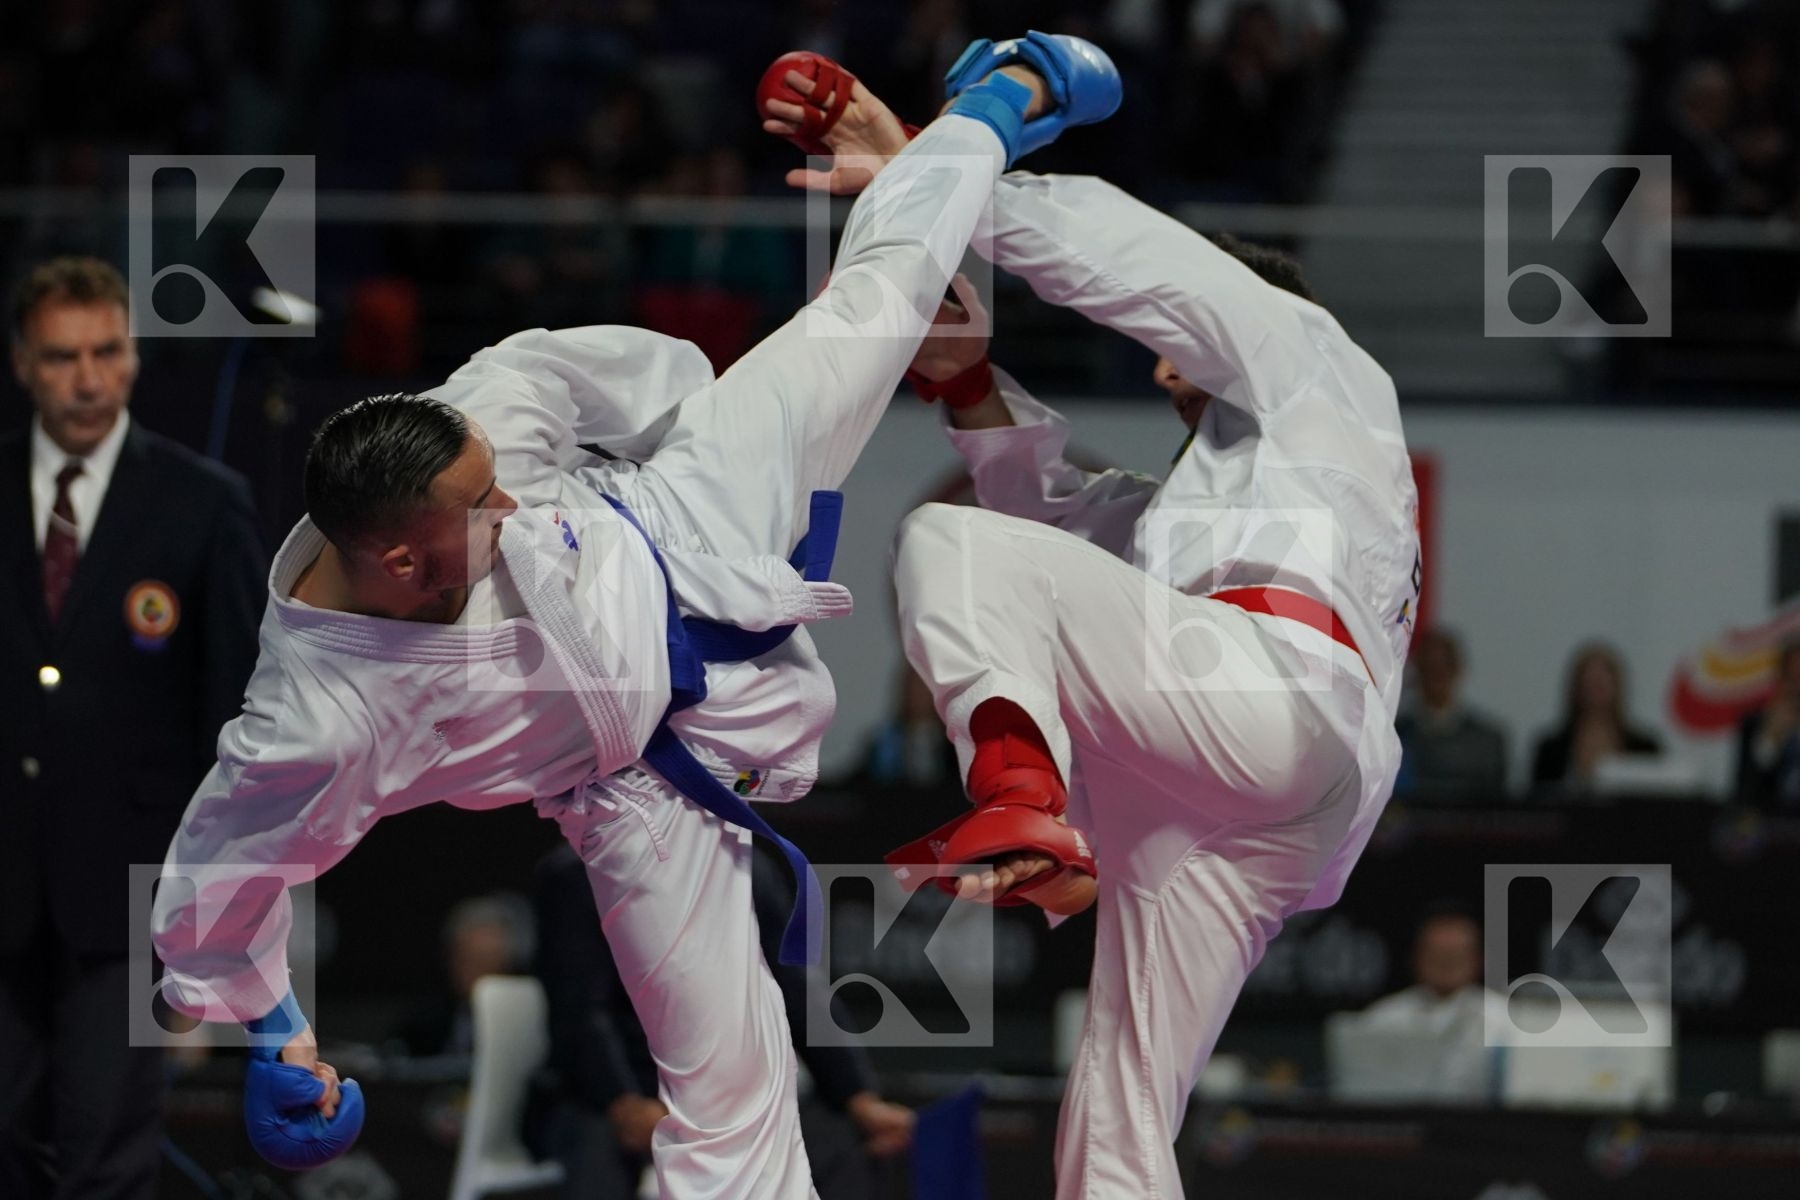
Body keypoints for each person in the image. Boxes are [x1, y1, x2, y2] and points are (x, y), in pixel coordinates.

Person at [152, 38, 1118, 1198]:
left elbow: (562, 374)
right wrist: (272, 1030)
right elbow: (215, 875)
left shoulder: (464, 427)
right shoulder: (314, 717)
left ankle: (1006, 98)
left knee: (876, 302)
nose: (504, 496)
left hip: (682, 505)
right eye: (479, 507)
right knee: (725, 1100)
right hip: (640, 782)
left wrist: (710, 420)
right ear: (400, 559)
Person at [763, 52, 1417, 1196]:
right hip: (1273, 794)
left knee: (947, 545)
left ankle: (1023, 793)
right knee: (1115, 1123)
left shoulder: (1313, 356)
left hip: (1270, 694)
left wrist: (932, 162)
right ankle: (1048, 818)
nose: (1165, 358)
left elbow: (1131, 263)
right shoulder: (1225, 497)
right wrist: (970, 386)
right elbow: (1060, 520)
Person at [0, 256, 266, 1199]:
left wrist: (219, 909)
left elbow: (235, 719)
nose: (86, 378)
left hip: (134, 893)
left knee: (111, 1157)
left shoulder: (203, 502)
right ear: (24, 363)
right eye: (62, 356)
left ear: (133, 355)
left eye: (106, 352)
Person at [530, 841, 913, 1200]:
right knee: (598, 1156)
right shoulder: (581, 871)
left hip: (726, 1098)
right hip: (611, 1093)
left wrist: (856, 1097)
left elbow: (796, 988)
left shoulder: (743, 863)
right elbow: (579, 1012)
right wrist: (625, 1104)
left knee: (840, 1144)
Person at [1358, 908, 1506, 1103]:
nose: (1446, 962)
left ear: (1478, 959)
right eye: (1437, 953)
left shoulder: (1504, 1018)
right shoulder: (1382, 1017)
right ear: (1415, 957)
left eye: (1455, 954)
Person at [389, 895, 535, 1059]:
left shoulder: (529, 1027)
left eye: (483, 962)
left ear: (508, 965)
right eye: (463, 959)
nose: (471, 971)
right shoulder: (422, 1023)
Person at [1394, 627, 1508, 802]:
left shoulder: (1487, 743)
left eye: (1442, 667)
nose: (1435, 677)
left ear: (1457, 669)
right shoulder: (1395, 737)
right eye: (1428, 668)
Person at [1530, 641, 1662, 791]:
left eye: (1602, 683)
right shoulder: (1551, 749)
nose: (1595, 690)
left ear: (1617, 686)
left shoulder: (1644, 747)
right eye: (1589, 683)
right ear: (1576, 688)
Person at [1734, 638, 1800, 808]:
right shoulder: (1755, 724)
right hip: (1773, 824)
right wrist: (1770, 740)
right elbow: (1746, 794)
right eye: (1792, 679)